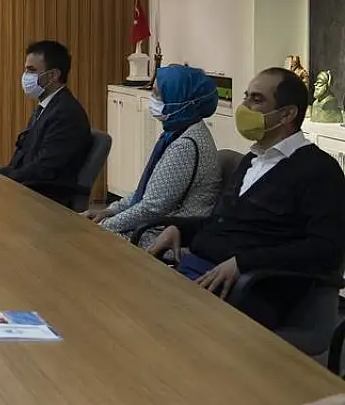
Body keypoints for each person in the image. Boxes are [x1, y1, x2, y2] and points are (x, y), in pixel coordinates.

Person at [148, 68, 345, 329]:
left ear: (287, 114)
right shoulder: (253, 160)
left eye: (257, 99)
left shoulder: (320, 171)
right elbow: (223, 224)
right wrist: (180, 229)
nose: (245, 107)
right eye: (246, 97)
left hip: (248, 290)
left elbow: (326, 250)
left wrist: (244, 263)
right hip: (200, 271)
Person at [84, 65, 221, 246]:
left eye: (158, 93)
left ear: (179, 99)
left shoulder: (185, 145)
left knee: (85, 244)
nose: (152, 98)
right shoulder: (177, 132)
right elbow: (147, 193)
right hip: (153, 226)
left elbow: (152, 208)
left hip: (164, 235)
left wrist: (104, 227)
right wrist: (110, 211)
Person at [0, 40, 93, 205]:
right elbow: (24, 153)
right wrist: (1, 174)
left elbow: (45, 168)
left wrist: (7, 178)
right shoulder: (47, 106)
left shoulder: (66, 114)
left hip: (46, 199)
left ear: (53, 75)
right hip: (27, 190)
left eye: (32, 71)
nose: (26, 77)